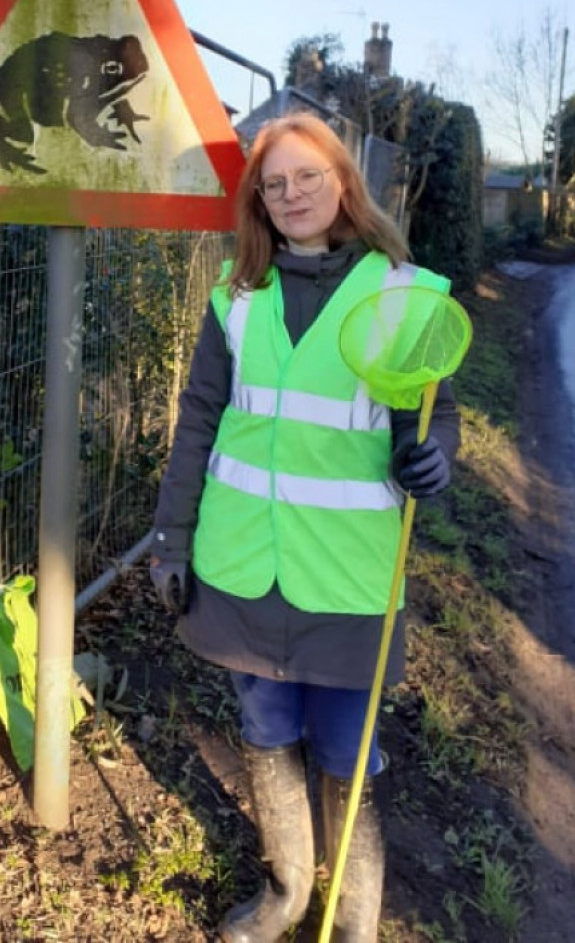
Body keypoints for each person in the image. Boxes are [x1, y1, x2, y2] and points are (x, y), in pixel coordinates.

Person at [149, 112, 461, 943]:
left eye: (307, 177)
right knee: (264, 733)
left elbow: (430, 414)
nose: (291, 194)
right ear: (258, 198)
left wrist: (431, 457)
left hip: (350, 576)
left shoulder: (402, 294)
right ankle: (287, 893)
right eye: (274, 183)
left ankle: (353, 923)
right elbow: (198, 421)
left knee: (347, 753)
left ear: (344, 183)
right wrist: (172, 540)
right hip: (245, 563)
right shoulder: (236, 297)